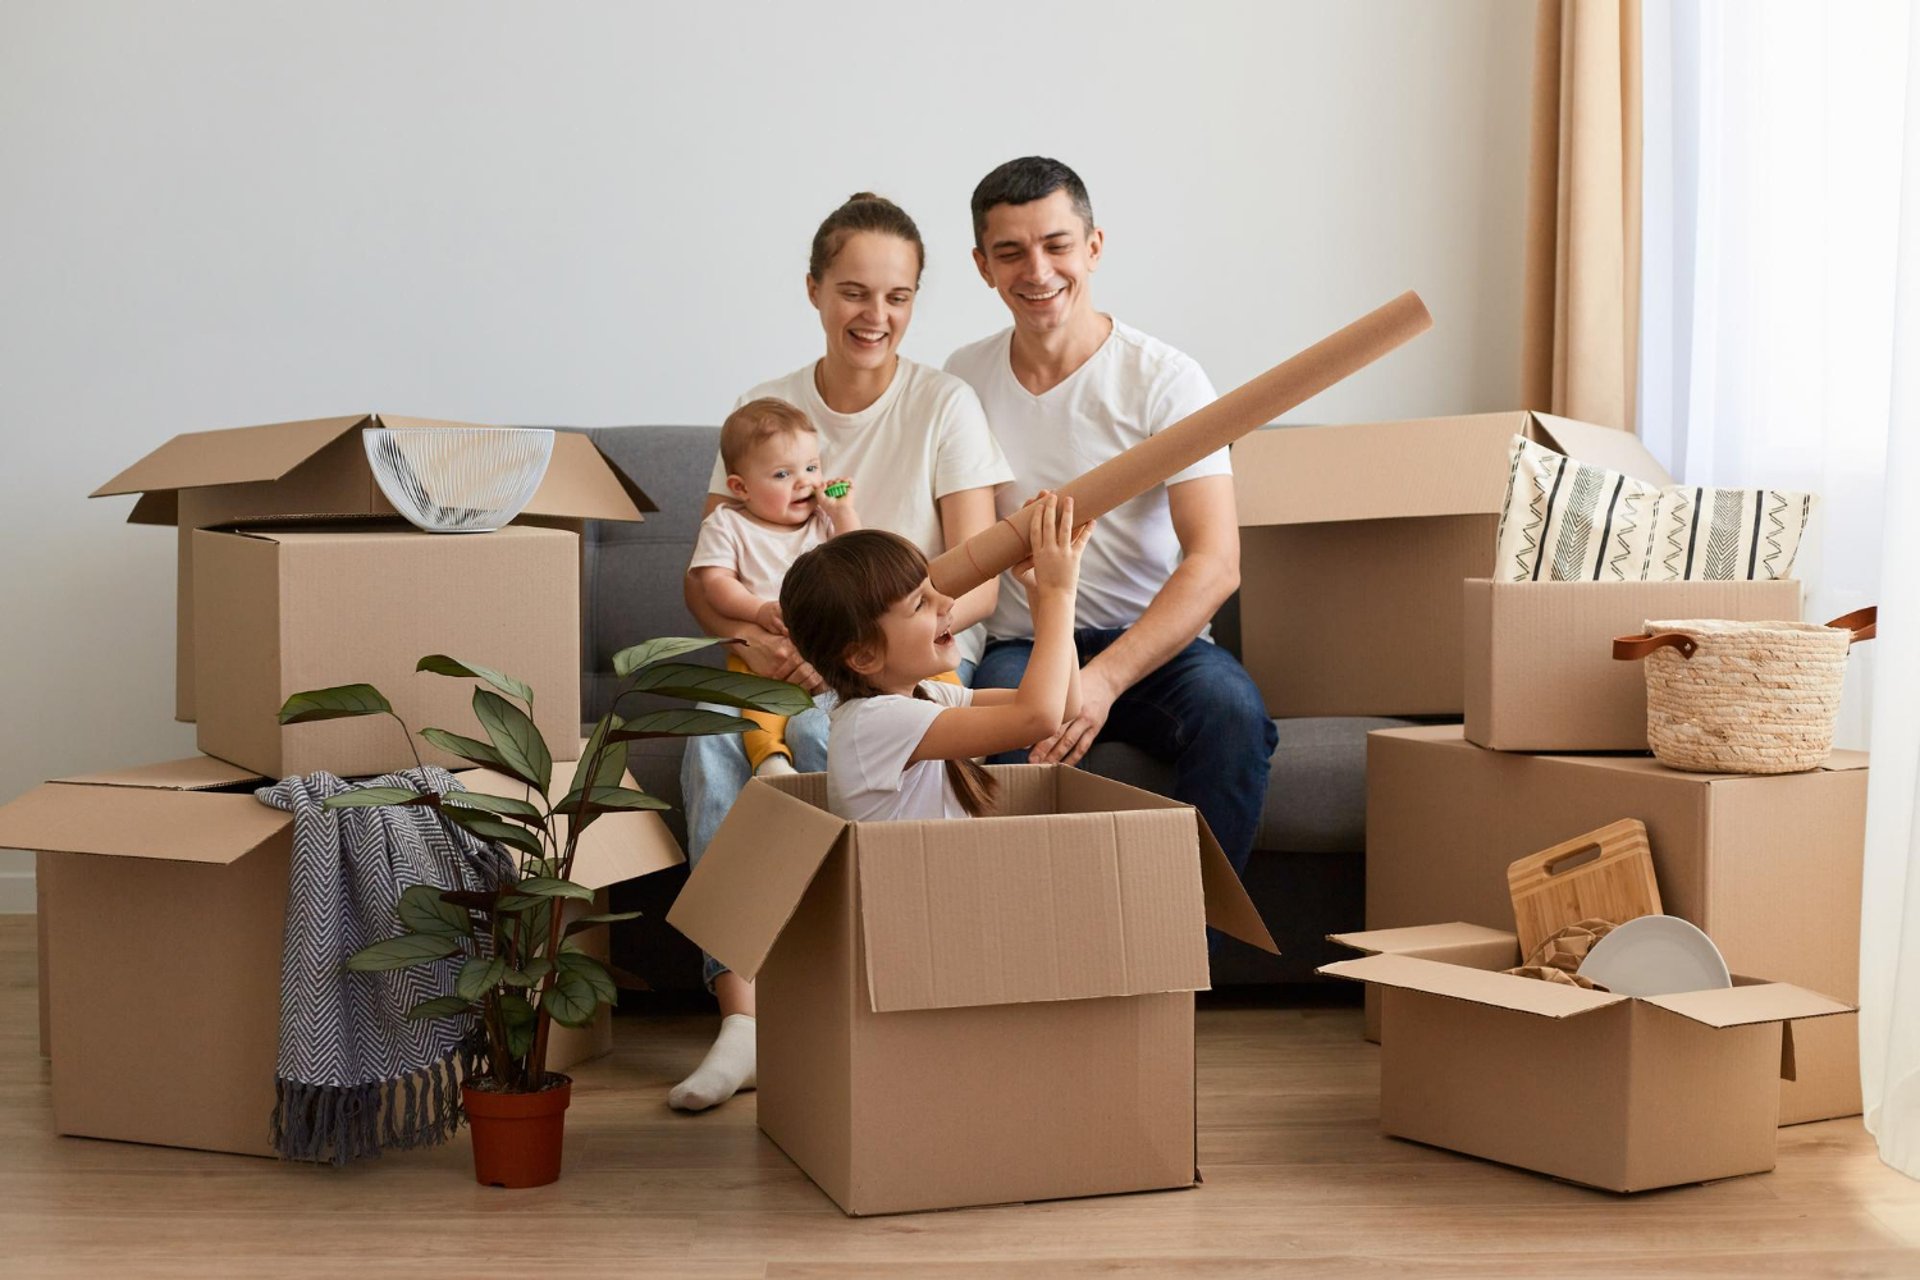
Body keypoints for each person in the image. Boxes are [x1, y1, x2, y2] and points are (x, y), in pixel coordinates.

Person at [671, 192, 1013, 1112]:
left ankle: (837, 1002)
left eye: (898, 296)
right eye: (855, 291)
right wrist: (761, 636)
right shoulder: (764, 412)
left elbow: (978, 579)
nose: (877, 316)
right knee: (712, 746)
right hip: (782, 655)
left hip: (905, 660)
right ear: (815, 290)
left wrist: (858, 651)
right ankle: (742, 1017)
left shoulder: (945, 403)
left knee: (828, 749)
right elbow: (708, 581)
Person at [945, 156, 1278, 887]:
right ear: (982, 266)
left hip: (1155, 644)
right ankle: (1033, 959)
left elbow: (1216, 562)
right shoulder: (961, 380)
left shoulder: (1167, 379)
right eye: (1010, 252)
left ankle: (1183, 958)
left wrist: (1101, 681)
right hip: (1026, 641)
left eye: (1057, 244)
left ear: (1094, 247)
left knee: (1233, 716)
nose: (1037, 270)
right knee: (990, 738)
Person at [782, 495, 1090, 822]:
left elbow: (1063, 707)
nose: (946, 602)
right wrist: (1058, 592)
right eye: (920, 604)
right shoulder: (874, 722)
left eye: (933, 590)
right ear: (863, 656)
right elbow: (1036, 717)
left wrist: (1040, 592)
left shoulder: (926, 697)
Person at [688, 397, 859, 777]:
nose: (805, 482)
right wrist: (758, 611)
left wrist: (843, 512)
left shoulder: (822, 523)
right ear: (740, 487)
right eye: (783, 475)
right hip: (761, 642)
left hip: (828, 649)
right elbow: (713, 583)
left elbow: (860, 561)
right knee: (757, 698)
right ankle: (769, 759)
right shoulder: (727, 525)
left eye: (812, 468)